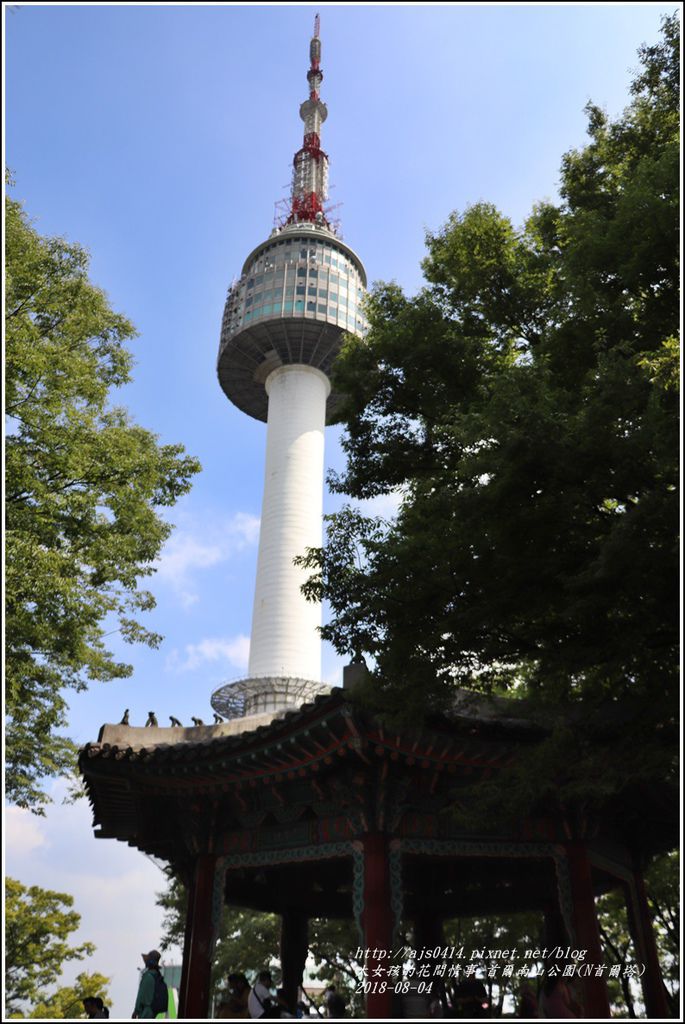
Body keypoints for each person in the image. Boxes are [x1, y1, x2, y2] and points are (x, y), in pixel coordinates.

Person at [132, 949, 165, 1019]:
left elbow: (140, 996)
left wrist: (136, 1011)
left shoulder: (148, 976)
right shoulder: (157, 976)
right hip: (153, 1013)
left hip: (145, 1013)